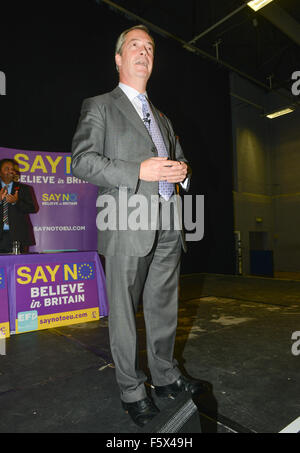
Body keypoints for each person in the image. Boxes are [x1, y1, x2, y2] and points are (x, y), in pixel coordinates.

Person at [71, 25, 205, 428]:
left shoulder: (161, 117)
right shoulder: (100, 106)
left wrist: (183, 173)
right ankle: (132, 389)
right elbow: (81, 162)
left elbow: (180, 162)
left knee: (163, 309)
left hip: (168, 223)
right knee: (126, 316)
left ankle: (165, 378)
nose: (143, 52)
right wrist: (138, 170)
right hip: (126, 224)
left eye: (149, 47)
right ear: (118, 58)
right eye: (134, 45)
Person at [0, 158, 37, 253]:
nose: (11, 171)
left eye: (12, 169)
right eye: (7, 168)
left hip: (18, 236)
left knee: (18, 265)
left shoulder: (24, 189)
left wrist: (16, 202)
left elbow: (33, 208)